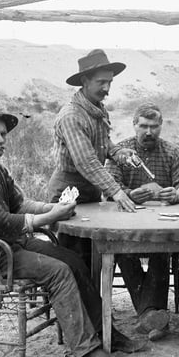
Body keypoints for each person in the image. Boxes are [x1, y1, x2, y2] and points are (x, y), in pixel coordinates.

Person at [0, 104, 148, 357]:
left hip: (11, 244)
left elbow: (19, 204)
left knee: (72, 260)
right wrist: (48, 217)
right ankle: (86, 351)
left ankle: (106, 333)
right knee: (59, 271)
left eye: (3, 134)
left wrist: (53, 209)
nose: (2, 140)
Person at [104, 103, 179, 341]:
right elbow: (109, 188)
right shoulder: (121, 152)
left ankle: (148, 315)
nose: (148, 132)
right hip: (128, 224)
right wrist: (130, 194)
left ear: (161, 126)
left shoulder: (171, 152)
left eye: (154, 126)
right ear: (134, 125)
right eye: (143, 126)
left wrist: (176, 193)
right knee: (122, 249)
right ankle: (152, 315)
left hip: (163, 224)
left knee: (162, 249)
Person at [47, 49, 139, 271]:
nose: (107, 88)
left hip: (91, 190)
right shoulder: (71, 116)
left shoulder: (98, 110)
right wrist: (116, 191)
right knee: (73, 260)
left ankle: (96, 295)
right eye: (101, 82)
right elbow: (86, 161)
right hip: (67, 192)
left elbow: (103, 142)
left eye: (110, 82)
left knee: (94, 255)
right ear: (84, 81)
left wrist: (118, 152)